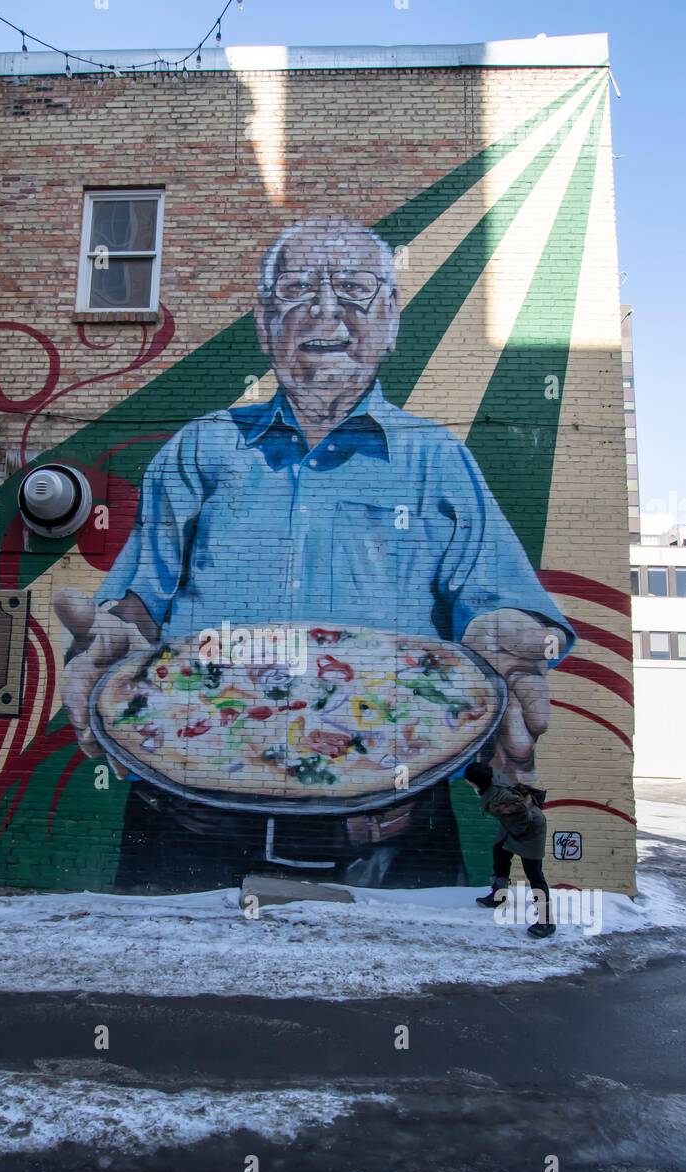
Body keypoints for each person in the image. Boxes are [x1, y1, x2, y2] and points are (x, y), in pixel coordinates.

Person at [54, 217, 574, 892]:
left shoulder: (437, 461)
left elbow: (505, 612)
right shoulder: (199, 449)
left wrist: (506, 634)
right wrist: (114, 633)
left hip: (393, 842)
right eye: (297, 290)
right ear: (265, 322)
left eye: (356, 290)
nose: (327, 310)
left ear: (390, 320)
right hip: (182, 832)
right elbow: (139, 603)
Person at [463, 762, 554, 939]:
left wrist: (519, 831)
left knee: (534, 873)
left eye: (469, 780)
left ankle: (546, 921)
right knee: (500, 853)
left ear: (476, 782)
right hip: (512, 826)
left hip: (530, 829)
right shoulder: (493, 780)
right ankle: (499, 895)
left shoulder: (499, 797)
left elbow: (523, 810)